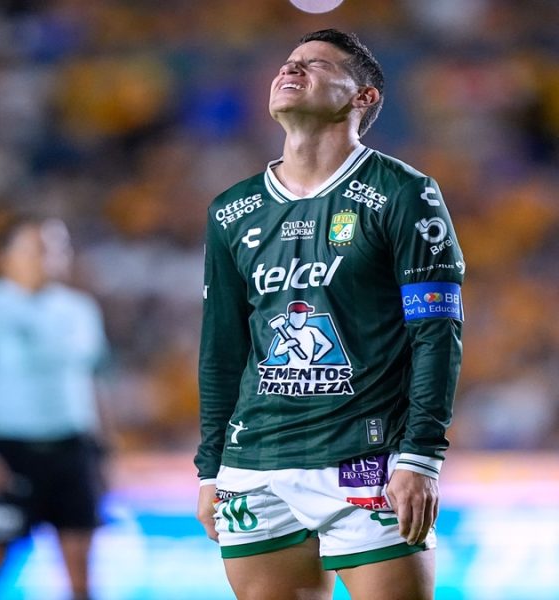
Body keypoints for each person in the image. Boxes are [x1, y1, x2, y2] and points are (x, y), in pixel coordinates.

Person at [195, 28, 464, 600]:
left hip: (364, 461)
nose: (292, 70)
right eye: (289, 61)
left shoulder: (405, 194)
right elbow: (221, 350)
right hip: (255, 463)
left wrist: (421, 457)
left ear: (362, 98)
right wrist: (210, 468)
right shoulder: (231, 211)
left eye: (316, 65)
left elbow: (436, 335)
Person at [0, 215, 112, 600]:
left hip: (71, 451)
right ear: (6, 256)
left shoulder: (80, 310)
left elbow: (92, 382)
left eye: (58, 248)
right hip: (8, 454)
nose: (51, 257)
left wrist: (101, 451)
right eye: (39, 248)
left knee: (82, 581)